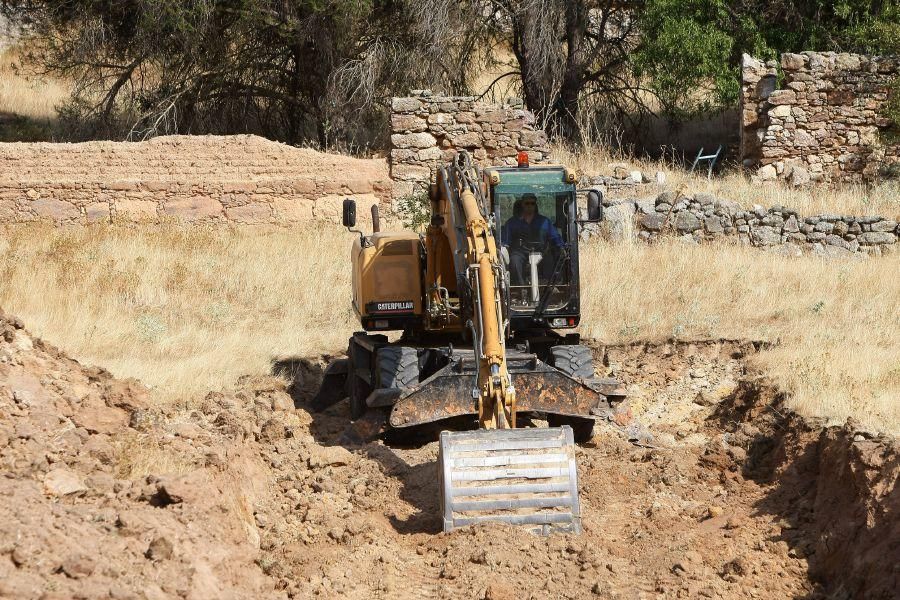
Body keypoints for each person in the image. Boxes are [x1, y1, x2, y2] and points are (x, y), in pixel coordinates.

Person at [501, 193, 565, 287]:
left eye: (532, 203)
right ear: (522, 204)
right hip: (520, 252)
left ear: (535, 205)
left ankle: (548, 288)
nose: (530, 206)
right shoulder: (512, 223)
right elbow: (505, 242)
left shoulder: (544, 222)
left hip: (541, 252)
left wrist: (562, 248)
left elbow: (555, 237)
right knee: (514, 261)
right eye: (527, 203)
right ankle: (520, 289)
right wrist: (504, 249)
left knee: (550, 259)